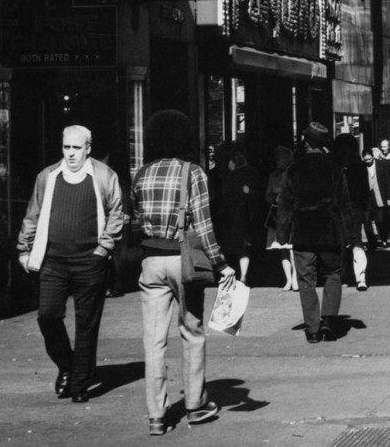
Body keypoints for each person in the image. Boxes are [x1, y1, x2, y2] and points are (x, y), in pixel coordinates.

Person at [132, 110, 233, 435]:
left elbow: (136, 219)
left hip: (151, 261)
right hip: (184, 262)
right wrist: (221, 264)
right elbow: (204, 227)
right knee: (191, 331)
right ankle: (195, 405)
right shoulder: (194, 173)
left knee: (154, 341)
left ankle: (157, 416)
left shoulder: (141, 174)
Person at [16, 124, 127, 404]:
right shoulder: (48, 176)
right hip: (53, 261)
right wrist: (23, 249)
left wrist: (104, 247)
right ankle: (67, 365)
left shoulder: (104, 175)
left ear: (88, 149)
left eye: (77, 148)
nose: (71, 154)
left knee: (86, 324)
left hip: (90, 261)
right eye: (67, 147)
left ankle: (79, 383)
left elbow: (117, 212)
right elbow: (33, 213)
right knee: (48, 316)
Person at [276, 123, 347, 343]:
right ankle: (328, 320)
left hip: (303, 230)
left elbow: (284, 205)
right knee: (333, 274)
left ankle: (313, 329)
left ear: (306, 142)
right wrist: (351, 236)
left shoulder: (293, 170)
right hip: (329, 228)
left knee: (306, 279)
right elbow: (345, 203)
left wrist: (282, 235)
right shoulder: (335, 169)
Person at [330, 133, 372, 287]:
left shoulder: (333, 165)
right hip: (355, 207)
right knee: (356, 242)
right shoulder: (359, 165)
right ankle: (361, 277)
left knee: (339, 242)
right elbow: (365, 189)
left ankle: (340, 275)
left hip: (337, 208)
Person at [217, 146, 263, 284]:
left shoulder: (252, 173)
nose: (237, 158)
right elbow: (223, 193)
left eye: (239, 155)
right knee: (233, 246)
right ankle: (233, 274)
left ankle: (243, 276)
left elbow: (260, 195)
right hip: (231, 215)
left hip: (245, 215)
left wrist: (250, 192)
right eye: (235, 156)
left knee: (243, 246)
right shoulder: (230, 174)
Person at [264, 146, 297, 291]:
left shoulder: (294, 173)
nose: (277, 161)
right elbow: (267, 195)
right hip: (277, 213)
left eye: (279, 158)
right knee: (282, 248)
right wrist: (272, 197)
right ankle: (288, 279)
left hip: (290, 213)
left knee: (292, 248)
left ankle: (295, 278)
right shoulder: (273, 176)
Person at [363, 146, 390, 245]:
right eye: (365, 160)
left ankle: (384, 238)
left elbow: (387, 181)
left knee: (380, 220)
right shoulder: (362, 167)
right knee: (367, 220)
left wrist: (389, 197)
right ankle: (372, 242)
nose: (368, 161)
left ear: (372, 157)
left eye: (369, 159)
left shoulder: (381, 165)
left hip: (379, 195)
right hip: (367, 197)